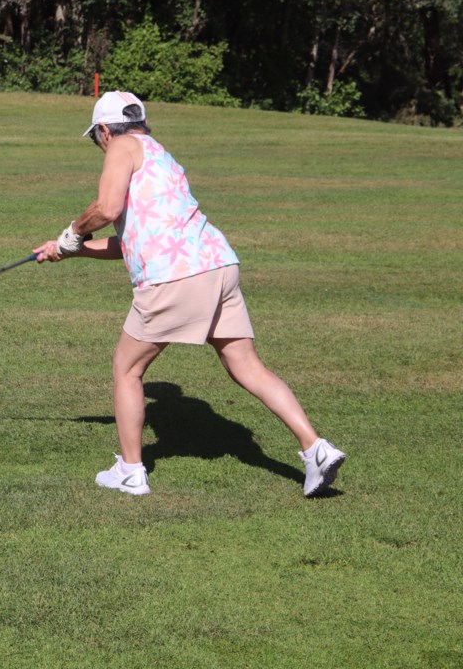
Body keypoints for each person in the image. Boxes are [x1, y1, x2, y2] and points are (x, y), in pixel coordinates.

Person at [34, 91, 345, 497]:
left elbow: (107, 209)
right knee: (246, 364)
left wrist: (73, 232)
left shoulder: (122, 147)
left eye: (96, 137)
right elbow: (134, 241)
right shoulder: (160, 154)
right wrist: (70, 251)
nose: (100, 145)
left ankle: (130, 471)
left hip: (175, 276)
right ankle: (315, 448)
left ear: (105, 130)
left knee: (127, 369)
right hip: (217, 265)